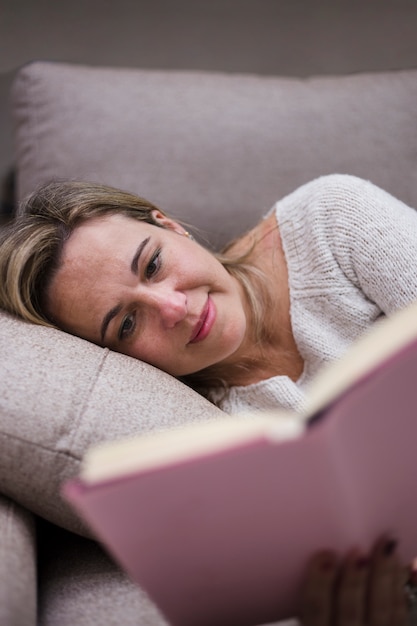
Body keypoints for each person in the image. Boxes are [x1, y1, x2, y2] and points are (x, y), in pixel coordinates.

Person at [1, 173, 417, 624]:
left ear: (170, 225)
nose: (173, 308)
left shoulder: (332, 219)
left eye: (153, 264)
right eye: (126, 325)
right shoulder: (203, 429)